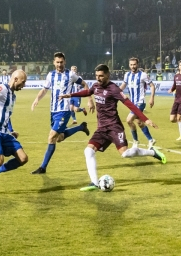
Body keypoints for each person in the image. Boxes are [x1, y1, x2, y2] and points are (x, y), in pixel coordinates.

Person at [60, 64, 165, 192]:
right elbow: (88, 92)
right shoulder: (96, 86)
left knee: (125, 154)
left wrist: (145, 119)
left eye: (101, 76)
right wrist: (70, 95)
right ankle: (94, 182)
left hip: (115, 127)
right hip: (102, 128)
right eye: (97, 76)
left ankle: (153, 152)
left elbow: (129, 104)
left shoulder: (114, 89)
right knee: (88, 151)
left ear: (108, 75)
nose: (98, 78)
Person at [30, 52, 93, 174]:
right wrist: (37, 99)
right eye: (57, 62)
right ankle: (81, 127)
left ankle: (43, 167)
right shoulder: (50, 75)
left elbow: (84, 84)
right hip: (53, 111)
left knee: (51, 137)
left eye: (61, 62)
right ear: (54, 62)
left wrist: (90, 99)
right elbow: (44, 89)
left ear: (65, 62)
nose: (59, 64)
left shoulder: (70, 75)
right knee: (59, 138)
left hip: (64, 111)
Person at [119, 57, 157, 149]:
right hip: (132, 103)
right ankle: (151, 140)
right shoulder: (127, 75)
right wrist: (115, 92)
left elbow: (152, 85)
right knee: (139, 122)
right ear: (129, 65)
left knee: (129, 120)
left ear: (138, 65)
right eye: (131, 64)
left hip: (140, 103)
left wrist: (152, 98)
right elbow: (123, 85)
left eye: (134, 64)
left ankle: (135, 142)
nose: (133, 66)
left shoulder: (143, 75)